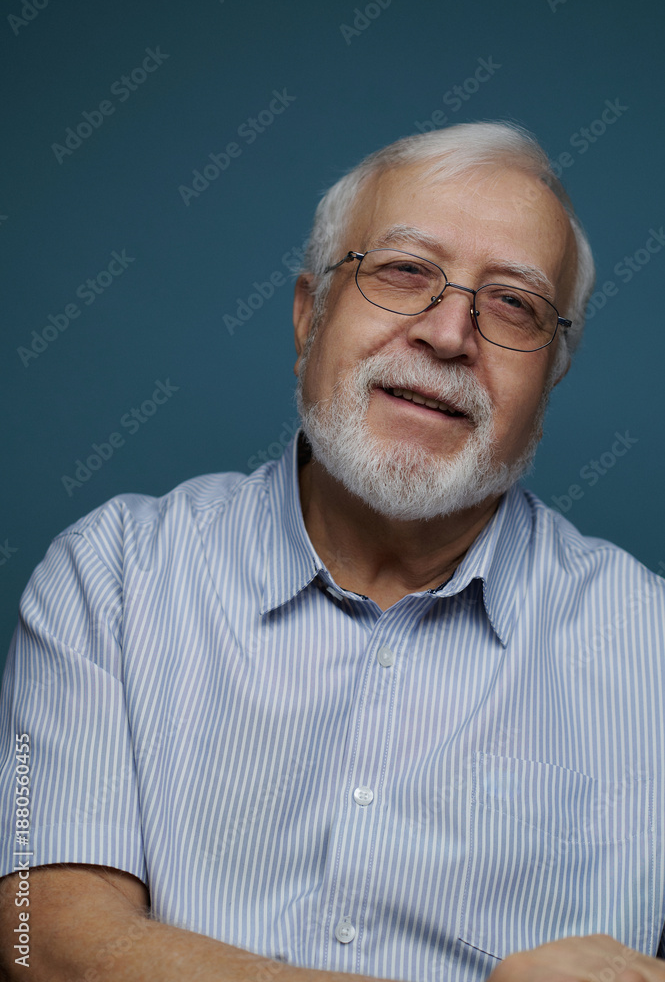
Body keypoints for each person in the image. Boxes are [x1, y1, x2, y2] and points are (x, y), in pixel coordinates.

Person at [1, 121, 664, 982]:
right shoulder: (109, 578)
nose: (449, 334)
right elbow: (36, 938)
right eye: (403, 272)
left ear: (552, 376)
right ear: (309, 314)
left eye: (512, 304)